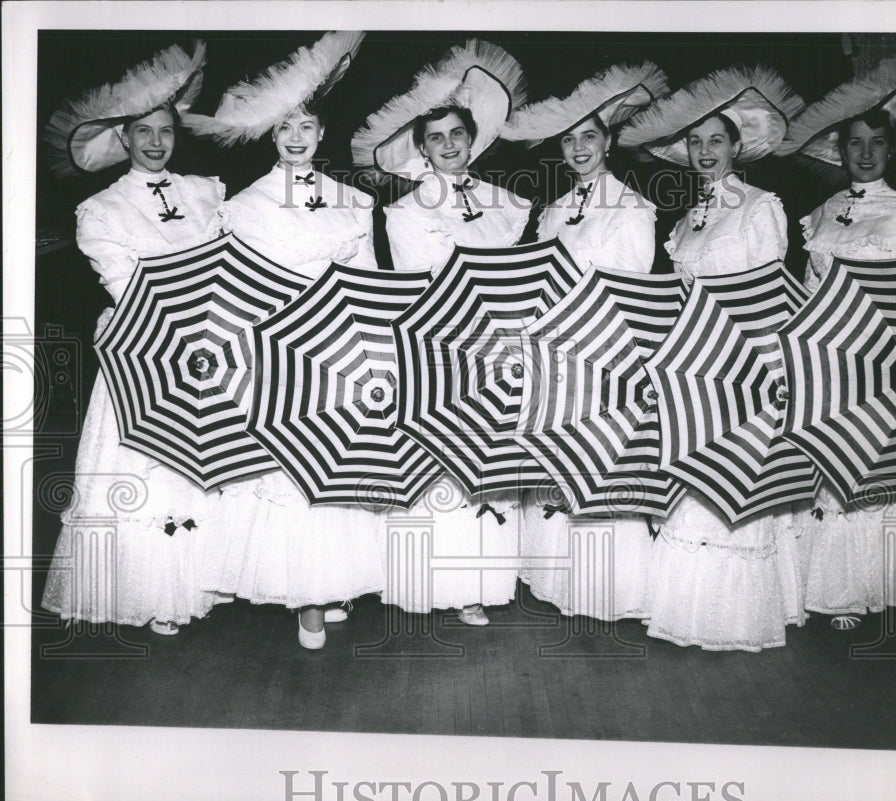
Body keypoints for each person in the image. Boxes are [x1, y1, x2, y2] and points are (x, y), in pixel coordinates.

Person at [186, 32, 383, 649]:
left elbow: (373, 282)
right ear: (272, 136)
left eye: (307, 126)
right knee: (289, 476)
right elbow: (233, 290)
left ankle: (335, 580)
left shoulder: (354, 201)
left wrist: (371, 347)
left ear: (322, 134)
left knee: (337, 473)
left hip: (343, 353)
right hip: (277, 357)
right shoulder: (247, 206)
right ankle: (306, 597)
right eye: (284, 128)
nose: (296, 137)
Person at [618, 65, 808, 650]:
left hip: (746, 366)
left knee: (739, 486)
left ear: (736, 147)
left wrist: (759, 368)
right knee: (694, 481)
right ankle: (687, 610)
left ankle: (737, 616)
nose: (704, 152)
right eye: (696, 143)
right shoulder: (686, 221)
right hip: (695, 367)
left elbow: (773, 295)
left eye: (716, 141)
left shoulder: (760, 207)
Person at [41, 42, 227, 635]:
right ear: (123, 139)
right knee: (148, 468)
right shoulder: (101, 209)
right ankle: (153, 592)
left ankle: (210, 578)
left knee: (209, 464)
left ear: (176, 135)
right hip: (143, 349)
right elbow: (128, 285)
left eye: (164, 131)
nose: (154, 141)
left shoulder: (208, 192)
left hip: (214, 344)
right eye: (142, 131)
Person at [352, 40, 530, 625]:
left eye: (458, 134)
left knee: (488, 467)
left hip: (501, 349)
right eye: (437, 137)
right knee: (442, 467)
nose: (449, 145)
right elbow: (413, 291)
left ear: (471, 138)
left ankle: (478, 584)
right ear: (422, 148)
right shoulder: (403, 214)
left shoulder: (511, 205)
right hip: (439, 351)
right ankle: (427, 580)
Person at [779, 54, 896, 629]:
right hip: (832, 362)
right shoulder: (822, 214)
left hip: (887, 361)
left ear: (891, 149)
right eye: (856, 143)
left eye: (877, 142)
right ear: (842, 148)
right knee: (834, 467)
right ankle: (837, 587)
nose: (866, 153)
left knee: (881, 470)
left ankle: (886, 583)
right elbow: (810, 294)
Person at [501, 61, 670, 620]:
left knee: (600, 467)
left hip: (608, 353)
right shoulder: (553, 211)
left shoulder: (633, 208)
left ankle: (609, 587)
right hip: (556, 354)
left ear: (609, 141)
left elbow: (633, 291)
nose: (578, 147)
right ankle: (559, 579)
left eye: (589, 136)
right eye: (569, 138)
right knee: (557, 460)